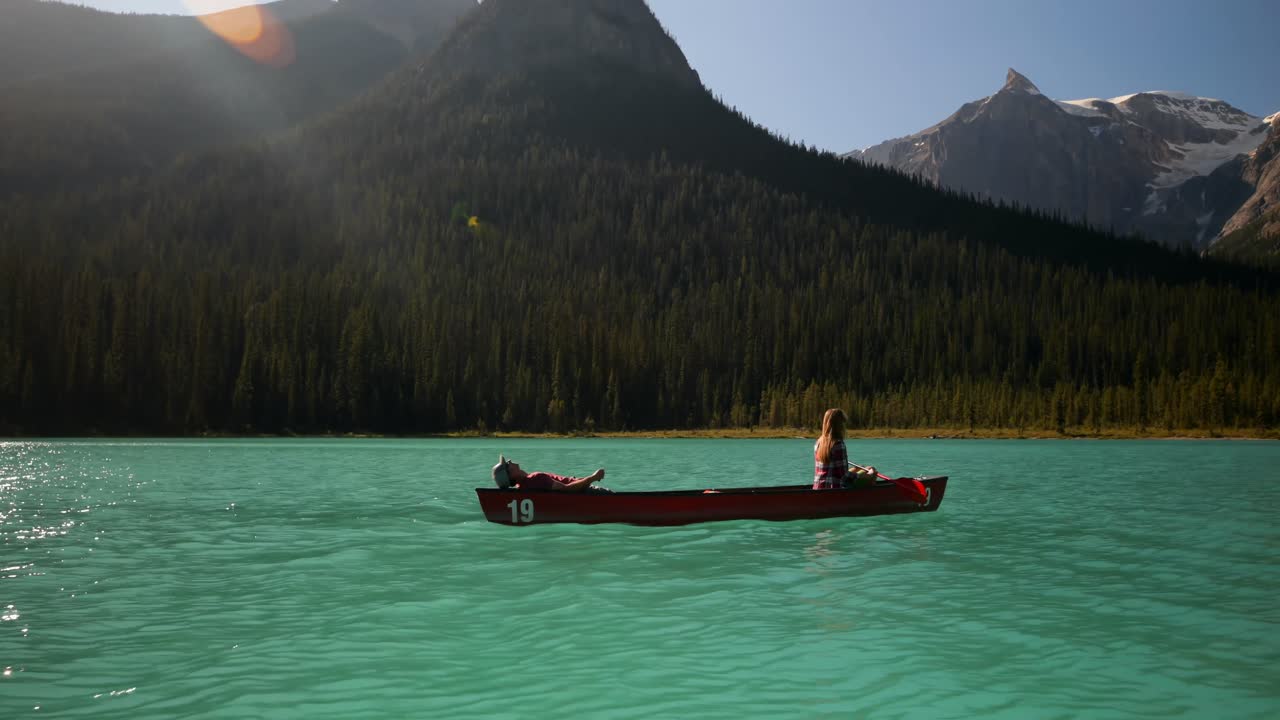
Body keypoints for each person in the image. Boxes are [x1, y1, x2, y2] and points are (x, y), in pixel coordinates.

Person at [813, 408, 877, 489]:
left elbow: (834, 471)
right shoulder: (838, 444)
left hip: (818, 487)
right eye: (843, 423)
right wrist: (868, 475)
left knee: (864, 469)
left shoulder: (818, 442)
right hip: (835, 488)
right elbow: (844, 476)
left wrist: (856, 469)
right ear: (839, 425)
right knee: (872, 472)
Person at [490, 455, 611, 492]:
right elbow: (567, 489)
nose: (510, 461)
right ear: (510, 474)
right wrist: (593, 478)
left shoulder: (523, 487)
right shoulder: (536, 478)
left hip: (579, 483)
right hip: (585, 490)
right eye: (507, 464)